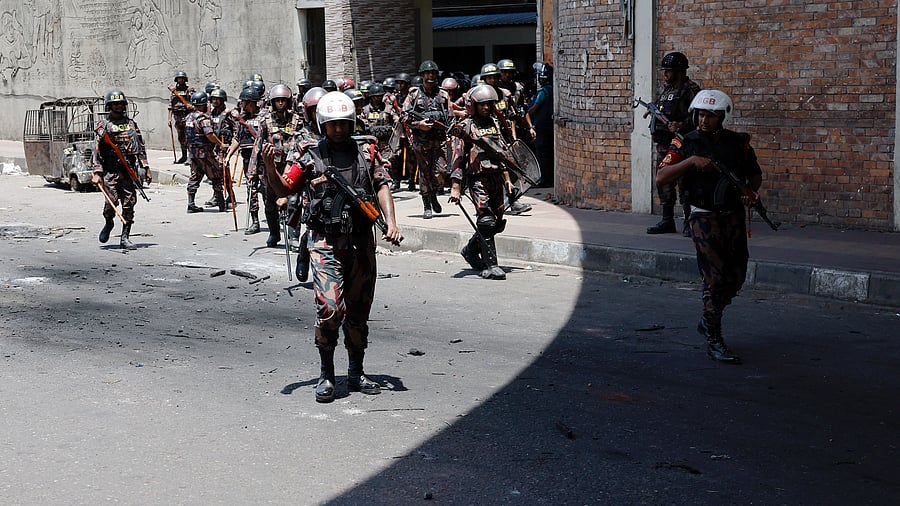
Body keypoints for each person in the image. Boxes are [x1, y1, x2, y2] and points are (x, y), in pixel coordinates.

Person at [262, 91, 401, 402]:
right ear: (322, 124)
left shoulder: (366, 152)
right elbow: (286, 186)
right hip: (325, 242)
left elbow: (381, 184)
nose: (338, 130)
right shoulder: (309, 154)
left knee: (359, 311)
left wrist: (391, 223)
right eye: (332, 124)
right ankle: (326, 373)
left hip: (361, 243)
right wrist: (270, 167)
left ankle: (356, 372)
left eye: (343, 124)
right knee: (329, 309)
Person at [655, 90, 762, 364]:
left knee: (736, 275)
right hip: (702, 215)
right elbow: (661, 176)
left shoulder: (738, 143)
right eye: (701, 114)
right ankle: (714, 336)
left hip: (733, 215)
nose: (704, 120)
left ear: (722, 117)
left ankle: (708, 317)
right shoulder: (684, 142)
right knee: (715, 277)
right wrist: (691, 162)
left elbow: (754, 175)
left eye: (711, 116)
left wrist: (749, 191)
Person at [448, 84, 512, 281]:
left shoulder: (495, 123)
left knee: (497, 222)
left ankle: (470, 250)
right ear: (473, 105)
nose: (486, 108)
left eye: (489, 104)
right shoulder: (465, 127)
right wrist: (456, 187)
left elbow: (504, 153)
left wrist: (508, 179)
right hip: (478, 179)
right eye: (482, 104)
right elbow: (457, 157)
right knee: (485, 220)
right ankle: (492, 265)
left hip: (496, 177)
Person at [646, 51, 702, 236]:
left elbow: (700, 118)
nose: (666, 74)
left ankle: (688, 222)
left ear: (679, 71)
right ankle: (667, 220)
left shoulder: (691, 90)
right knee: (664, 183)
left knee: (685, 184)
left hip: (682, 145)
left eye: (668, 71)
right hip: (663, 145)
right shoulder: (667, 90)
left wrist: (682, 125)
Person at [91, 89, 150, 250]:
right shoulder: (104, 126)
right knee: (112, 203)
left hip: (128, 170)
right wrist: (97, 172)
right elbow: (96, 150)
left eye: (120, 104)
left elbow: (140, 146)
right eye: (115, 104)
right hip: (111, 169)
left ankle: (125, 236)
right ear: (110, 106)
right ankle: (109, 222)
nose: (118, 107)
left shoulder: (131, 124)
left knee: (129, 204)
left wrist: (145, 166)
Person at [250, 83, 302, 247]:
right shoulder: (265, 122)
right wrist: (252, 171)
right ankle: (274, 233)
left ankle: (293, 235)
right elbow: (258, 144)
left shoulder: (297, 121)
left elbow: (302, 142)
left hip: (291, 166)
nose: (280, 104)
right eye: (277, 101)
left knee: (294, 202)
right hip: (271, 169)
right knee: (270, 204)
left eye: (283, 100)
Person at [403, 60, 450, 218]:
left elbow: (450, 117)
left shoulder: (443, 94)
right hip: (421, 142)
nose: (431, 76)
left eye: (433, 73)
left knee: (441, 171)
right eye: (427, 73)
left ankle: (434, 193)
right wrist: (419, 124)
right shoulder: (414, 94)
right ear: (422, 75)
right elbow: (403, 116)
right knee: (424, 173)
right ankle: (427, 204)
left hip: (439, 141)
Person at [184, 91, 227, 213]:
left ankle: (191, 204)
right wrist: (220, 144)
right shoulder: (203, 118)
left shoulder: (189, 117)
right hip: (205, 153)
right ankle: (221, 204)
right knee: (216, 175)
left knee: (195, 176)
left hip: (193, 153)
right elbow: (210, 134)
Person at [526, 62, 554, 187]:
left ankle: (545, 180)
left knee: (543, 155)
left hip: (542, 128)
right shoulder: (553, 89)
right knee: (548, 153)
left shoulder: (544, 92)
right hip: (549, 126)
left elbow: (533, 109)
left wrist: (528, 107)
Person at [167, 71, 194, 164]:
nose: (180, 80)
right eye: (179, 78)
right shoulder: (174, 91)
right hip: (177, 117)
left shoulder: (189, 90)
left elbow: (193, 101)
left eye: (182, 78)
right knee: (181, 137)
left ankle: (190, 157)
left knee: (189, 136)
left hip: (187, 115)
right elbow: (170, 105)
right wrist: (169, 118)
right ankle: (184, 156)